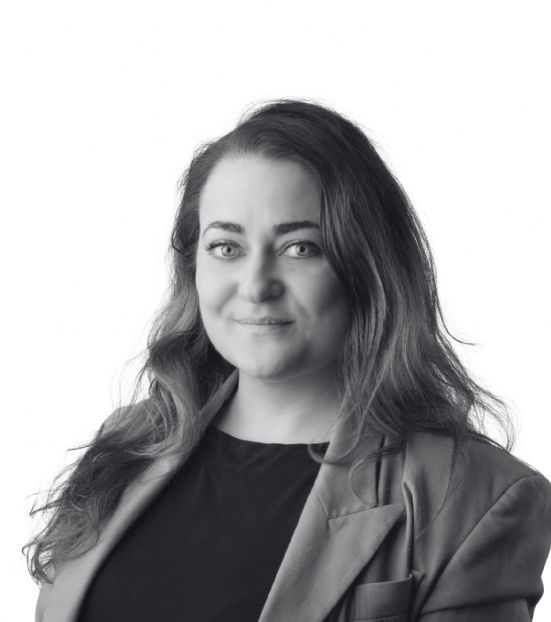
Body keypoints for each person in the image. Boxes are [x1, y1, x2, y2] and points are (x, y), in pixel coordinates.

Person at [26, 99, 551, 622]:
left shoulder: (473, 498)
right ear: (193, 267)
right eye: (226, 247)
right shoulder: (127, 446)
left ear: (368, 268)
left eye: (300, 248)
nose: (256, 286)